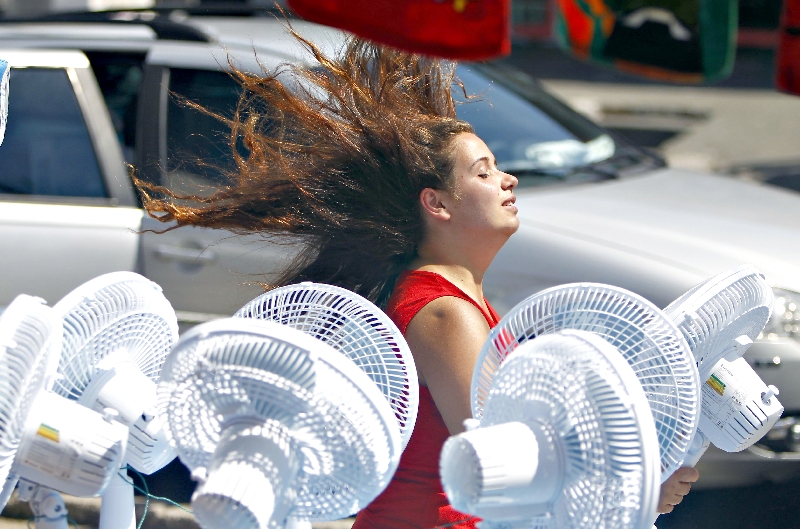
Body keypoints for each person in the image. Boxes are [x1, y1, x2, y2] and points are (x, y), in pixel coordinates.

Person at [137, 30, 698, 528]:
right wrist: (640, 491)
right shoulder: (443, 311)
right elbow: (507, 460)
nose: (508, 178)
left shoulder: (450, 297)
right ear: (437, 204)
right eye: (484, 172)